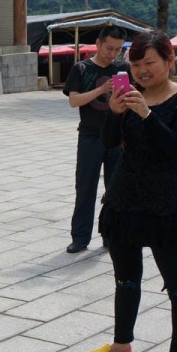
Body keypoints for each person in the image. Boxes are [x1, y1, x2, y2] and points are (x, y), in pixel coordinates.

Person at [84, 31, 177, 352]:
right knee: (125, 280)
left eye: (149, 62)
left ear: (169, 60)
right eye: (135, 65)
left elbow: (174, 149)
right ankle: (121, 344)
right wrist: (114, 112)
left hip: (166, 203)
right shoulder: (128, 96)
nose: (142, 71)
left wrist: (146, 114)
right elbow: (109, 142)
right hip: (124, 200)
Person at [62, 26, 129, 253]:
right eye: (109, 48)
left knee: (115, 189)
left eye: (117, 50)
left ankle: (111, 235)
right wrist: (101, 90)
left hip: (118, 137)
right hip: (90, 136)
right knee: (85, 187)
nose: (113, 54)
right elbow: (74, 101)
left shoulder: (123, 69)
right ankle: (80, 237)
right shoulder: (81, 68)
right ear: (98, 44)